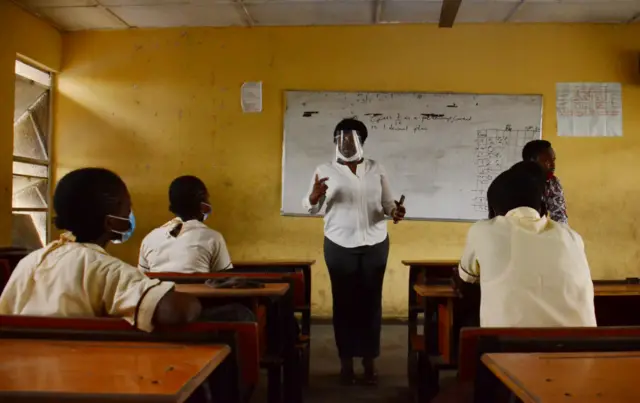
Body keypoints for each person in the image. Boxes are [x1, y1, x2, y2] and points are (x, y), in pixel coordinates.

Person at [0, 168, 201, 331]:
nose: (130, 215)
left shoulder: (30, 261)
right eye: (127, 209)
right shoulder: (106, 269)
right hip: (75, 372)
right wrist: (196, 303)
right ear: (109, 222)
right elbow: (176, 311)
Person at [303, 118, 406, 385]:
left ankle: (369, 361)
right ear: (336, 140)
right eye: (341, 137)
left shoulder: (375, 168)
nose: (346, 142)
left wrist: (395, 211)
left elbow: (386, 203)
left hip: (374, 243)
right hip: (339, 244)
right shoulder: (325, 169)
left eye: (351, 138)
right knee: (344, 303)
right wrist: (315, 196)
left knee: (371, 302)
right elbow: (312, 208)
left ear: (361, 141)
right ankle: (346, 362)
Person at [457, 161, 596, 328]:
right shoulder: (572, 236)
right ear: (543, 207)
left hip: (511, 347)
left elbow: (466, 283)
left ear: (492, 212)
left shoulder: (483, 231)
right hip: (582, 346)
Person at [139, 176, 232, 273]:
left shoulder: (149, 239)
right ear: (202, 204)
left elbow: (142, 278)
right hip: (199, 288)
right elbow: (223, 280)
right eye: (206, 199)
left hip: (160, 288)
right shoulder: (214, 238)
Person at [522, 139, 568, 224]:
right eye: (547, 162)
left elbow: (559, 215)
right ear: (532, 162)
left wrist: (561, 235)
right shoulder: (511, 182)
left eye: (553, 160)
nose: (553, 165)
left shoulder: (552, 182)